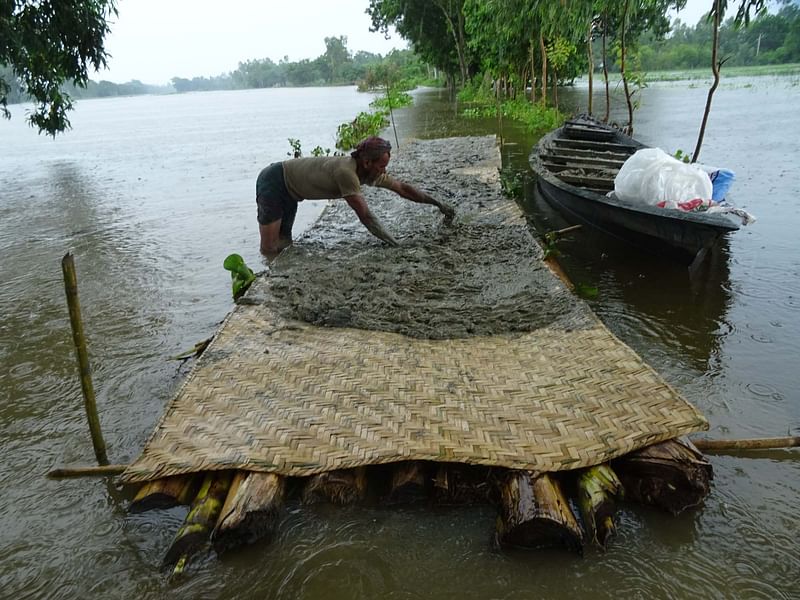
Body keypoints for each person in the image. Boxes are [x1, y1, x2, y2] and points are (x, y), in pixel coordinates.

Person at [255, 136, 455, 257]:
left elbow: (402, 188)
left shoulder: (368, 173)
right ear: (367, 162)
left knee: (285, 242)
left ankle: (278, 271)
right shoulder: (347, 173)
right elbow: (366, 216)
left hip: (292, 191)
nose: (384, 170)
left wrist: (438, 204)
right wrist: (395, 244)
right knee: (270, 246)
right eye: (382, 166)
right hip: (274, 181)